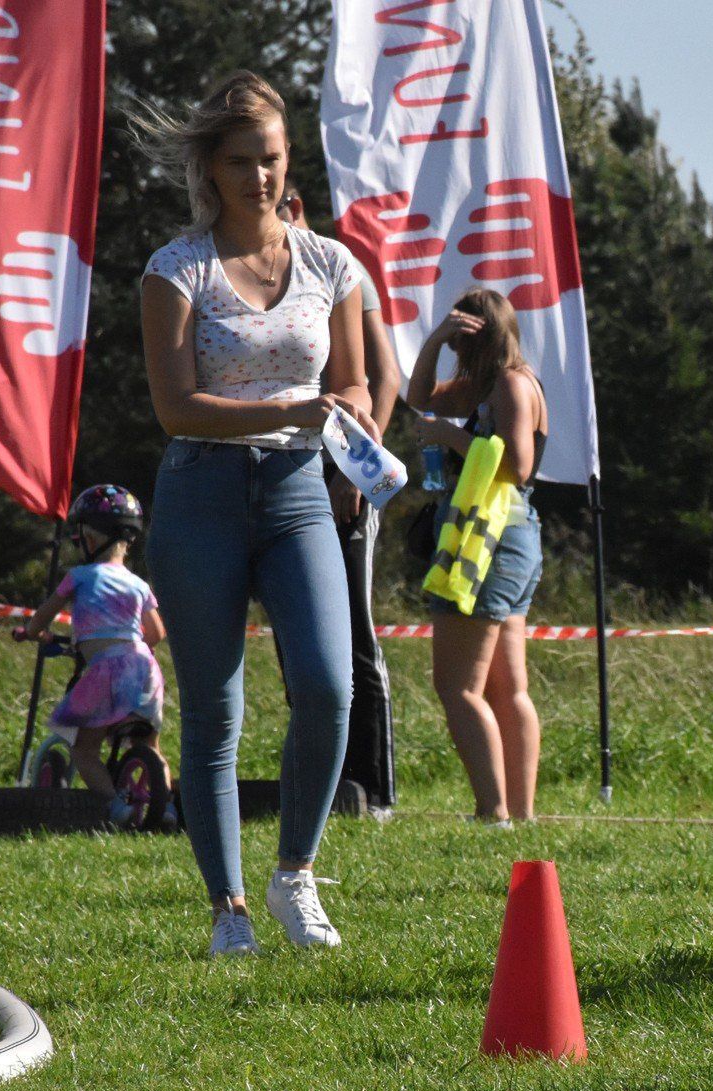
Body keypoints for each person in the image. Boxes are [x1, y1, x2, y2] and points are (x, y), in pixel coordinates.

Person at [136, 71, 372, 958]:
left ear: (287, 160)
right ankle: (228, 907)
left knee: (327, 685)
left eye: (270, 159)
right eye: (239, 162)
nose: (259, 178)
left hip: (300, 492)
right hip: (200, 492)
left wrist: (352, 416)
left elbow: (348, 377)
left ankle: (295, 877)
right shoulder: (176, 269)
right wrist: (296, 409)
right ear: (210, 168)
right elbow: (177, 407)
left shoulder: (331, 262)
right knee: (215, 710)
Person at [278, 181, 401, 818]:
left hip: (346, 472)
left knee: (351, 630)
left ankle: (374, 791)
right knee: (298, 639)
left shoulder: (335, 265)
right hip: (280, 473)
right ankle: (323, 785)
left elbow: (385, 377)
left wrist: (354, 471)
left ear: (294, 207)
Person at [405, 289, 547, 825]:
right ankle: (519, 813)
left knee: (456, 686)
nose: (458, 352)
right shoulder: (482, 388)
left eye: (462, 340)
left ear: (483, 339)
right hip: (509, 538)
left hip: (489, 543)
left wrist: (450, 438)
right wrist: (434, 341)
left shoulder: (510, 384)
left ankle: (493, 812)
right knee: (507, 688)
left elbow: (517, 465)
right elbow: (419, 395)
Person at [16, 485, 170, 828]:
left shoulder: (80, 576)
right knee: (149, 744)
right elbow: (156, 634)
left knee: (84, 748)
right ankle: (167, 807)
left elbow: (44, 616)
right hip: (145, 668)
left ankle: (116, 808)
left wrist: (30, 632)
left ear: (89, 536)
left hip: (107, 671)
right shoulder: (138, 583)